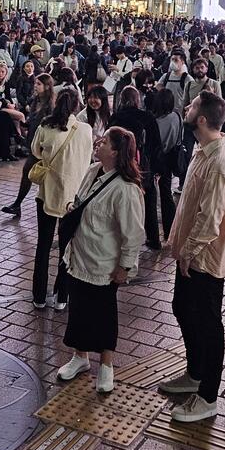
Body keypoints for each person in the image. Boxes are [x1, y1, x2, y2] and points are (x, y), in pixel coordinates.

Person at [159, 92, 225, 423]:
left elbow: (211, 218)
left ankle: (207, 397)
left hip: (203, 257)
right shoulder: (202, 149)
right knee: (183, 308)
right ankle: (194, 374)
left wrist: (188, 251)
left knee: (208, 323)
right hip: (189, 253)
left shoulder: (219, 161)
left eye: (190, 106)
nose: (185, 108)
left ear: (202, 119)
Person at [56, 126, 145, 393]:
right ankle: (79, 357)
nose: (98, 143)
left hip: (105, 264)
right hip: (79, 257)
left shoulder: (126, 189)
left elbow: (133, 234)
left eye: (104, 142)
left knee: (104, 315)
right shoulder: (93, 171)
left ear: (116, 152)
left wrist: (124, 267)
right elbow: (80, 199)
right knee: (79, 309)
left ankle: (106, 367)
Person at [30, 89, 93, 310]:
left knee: (43, 246)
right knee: (68, 247)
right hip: (73, 197)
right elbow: (88, 157)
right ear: (77, 106)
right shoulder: (86, 130)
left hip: (48, 193)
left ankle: (38, 297)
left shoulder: (45, 126)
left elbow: (35, 151)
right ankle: (61, 297)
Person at [108, 86, 162, 250]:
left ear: (122, 100)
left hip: (121, 165)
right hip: (142, 166)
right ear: (138, 99)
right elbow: (156, 145)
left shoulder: (116, 117)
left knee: (121, 203)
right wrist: (156, 168)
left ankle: (122, 241)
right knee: (149, 201)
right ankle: (153, 239)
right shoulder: (147, 117)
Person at [2, 72, 55, 217]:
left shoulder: (50, 105)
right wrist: (24, 125)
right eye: (35, 84)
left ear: (47, 86)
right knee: (28, 173)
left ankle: (48, 206)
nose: (35, 87)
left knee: (41, 176)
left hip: (45, 146)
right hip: (34, 144)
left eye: (38, 84)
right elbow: (33, 122)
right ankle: (18, 205)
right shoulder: (35, 101)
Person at [151, 88, 182, 240]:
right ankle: (170, 231)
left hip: (157, 159)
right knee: (166, 193)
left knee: (151, 194)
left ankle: (153, 234)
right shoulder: (177, 116)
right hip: (171, 158)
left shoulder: (154, 120)